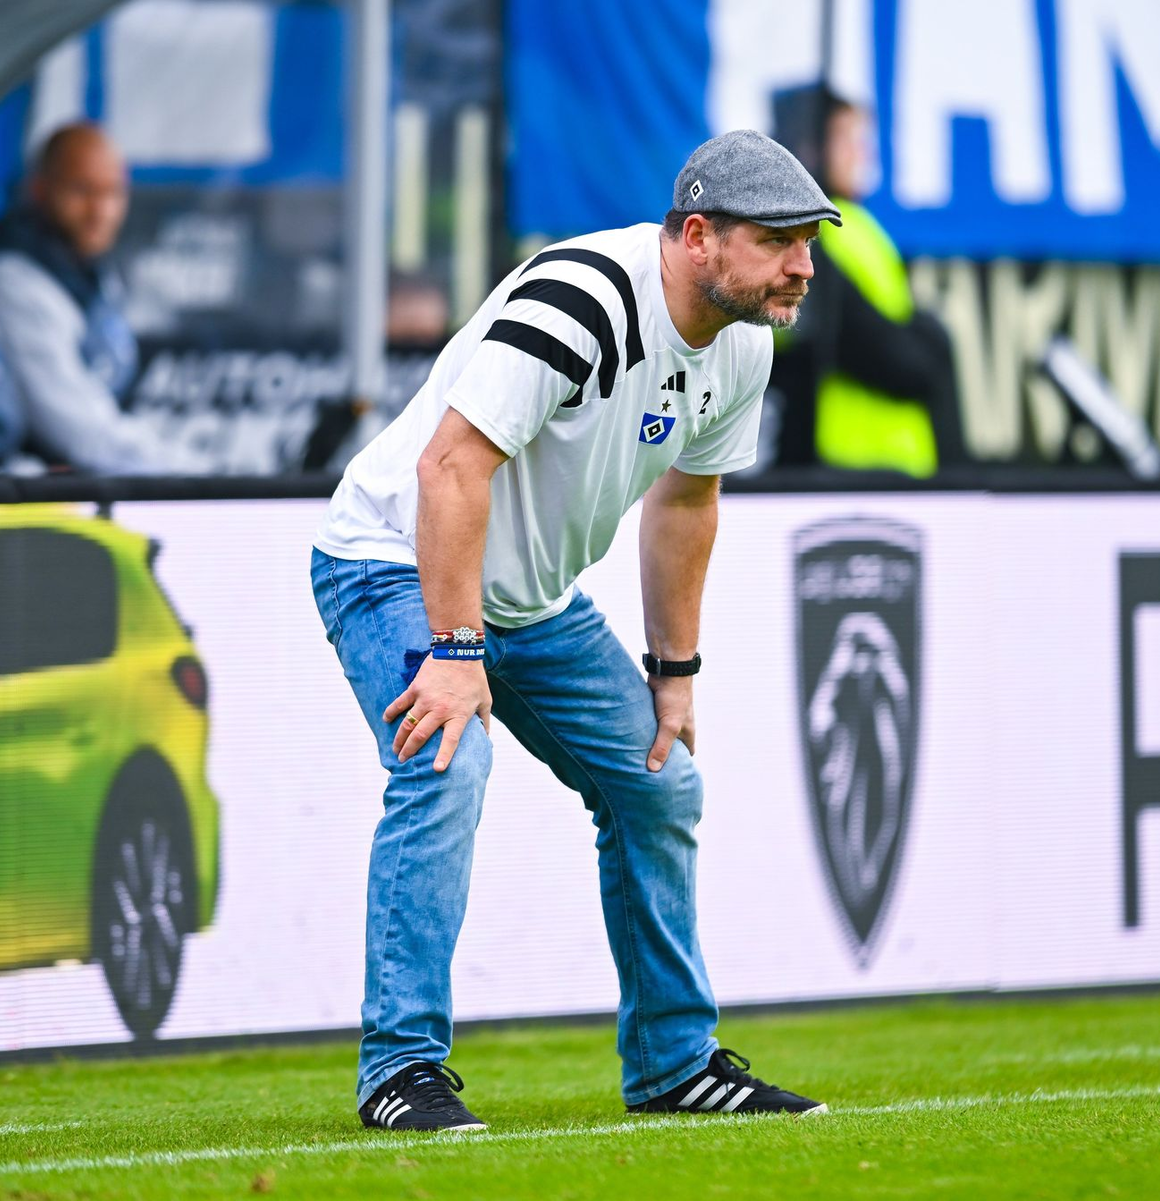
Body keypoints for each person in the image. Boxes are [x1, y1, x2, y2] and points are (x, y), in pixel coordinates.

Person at [311, 129, 841, 1133]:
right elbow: (449, 471)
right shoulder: (582, 297)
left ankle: (676, 1065)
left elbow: (685, 505)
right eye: (779, 239)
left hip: (531, 603)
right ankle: (400, 1071)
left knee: (658, 782)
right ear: (696, 235)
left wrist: (673, 673)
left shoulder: (744, 341)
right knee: (445, 764)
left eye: (808, 240)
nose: (803, 265)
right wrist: (460, 654)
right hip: (388, 561)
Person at [771, 95, 968, 475]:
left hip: (890, 458)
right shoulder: (815, 234)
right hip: (847, 459)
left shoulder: (860, 227)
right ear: (810, 147)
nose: (862, 154)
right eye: (847, 140)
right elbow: (876, 347)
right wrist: (930, 344)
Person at [0, 122, 201, 474]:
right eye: (82, 190)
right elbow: (84, 436)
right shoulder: (14, 281)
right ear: (39, 190)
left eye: (113, 193)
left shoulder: (92, 275)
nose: (100, 211)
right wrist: (206, 473)